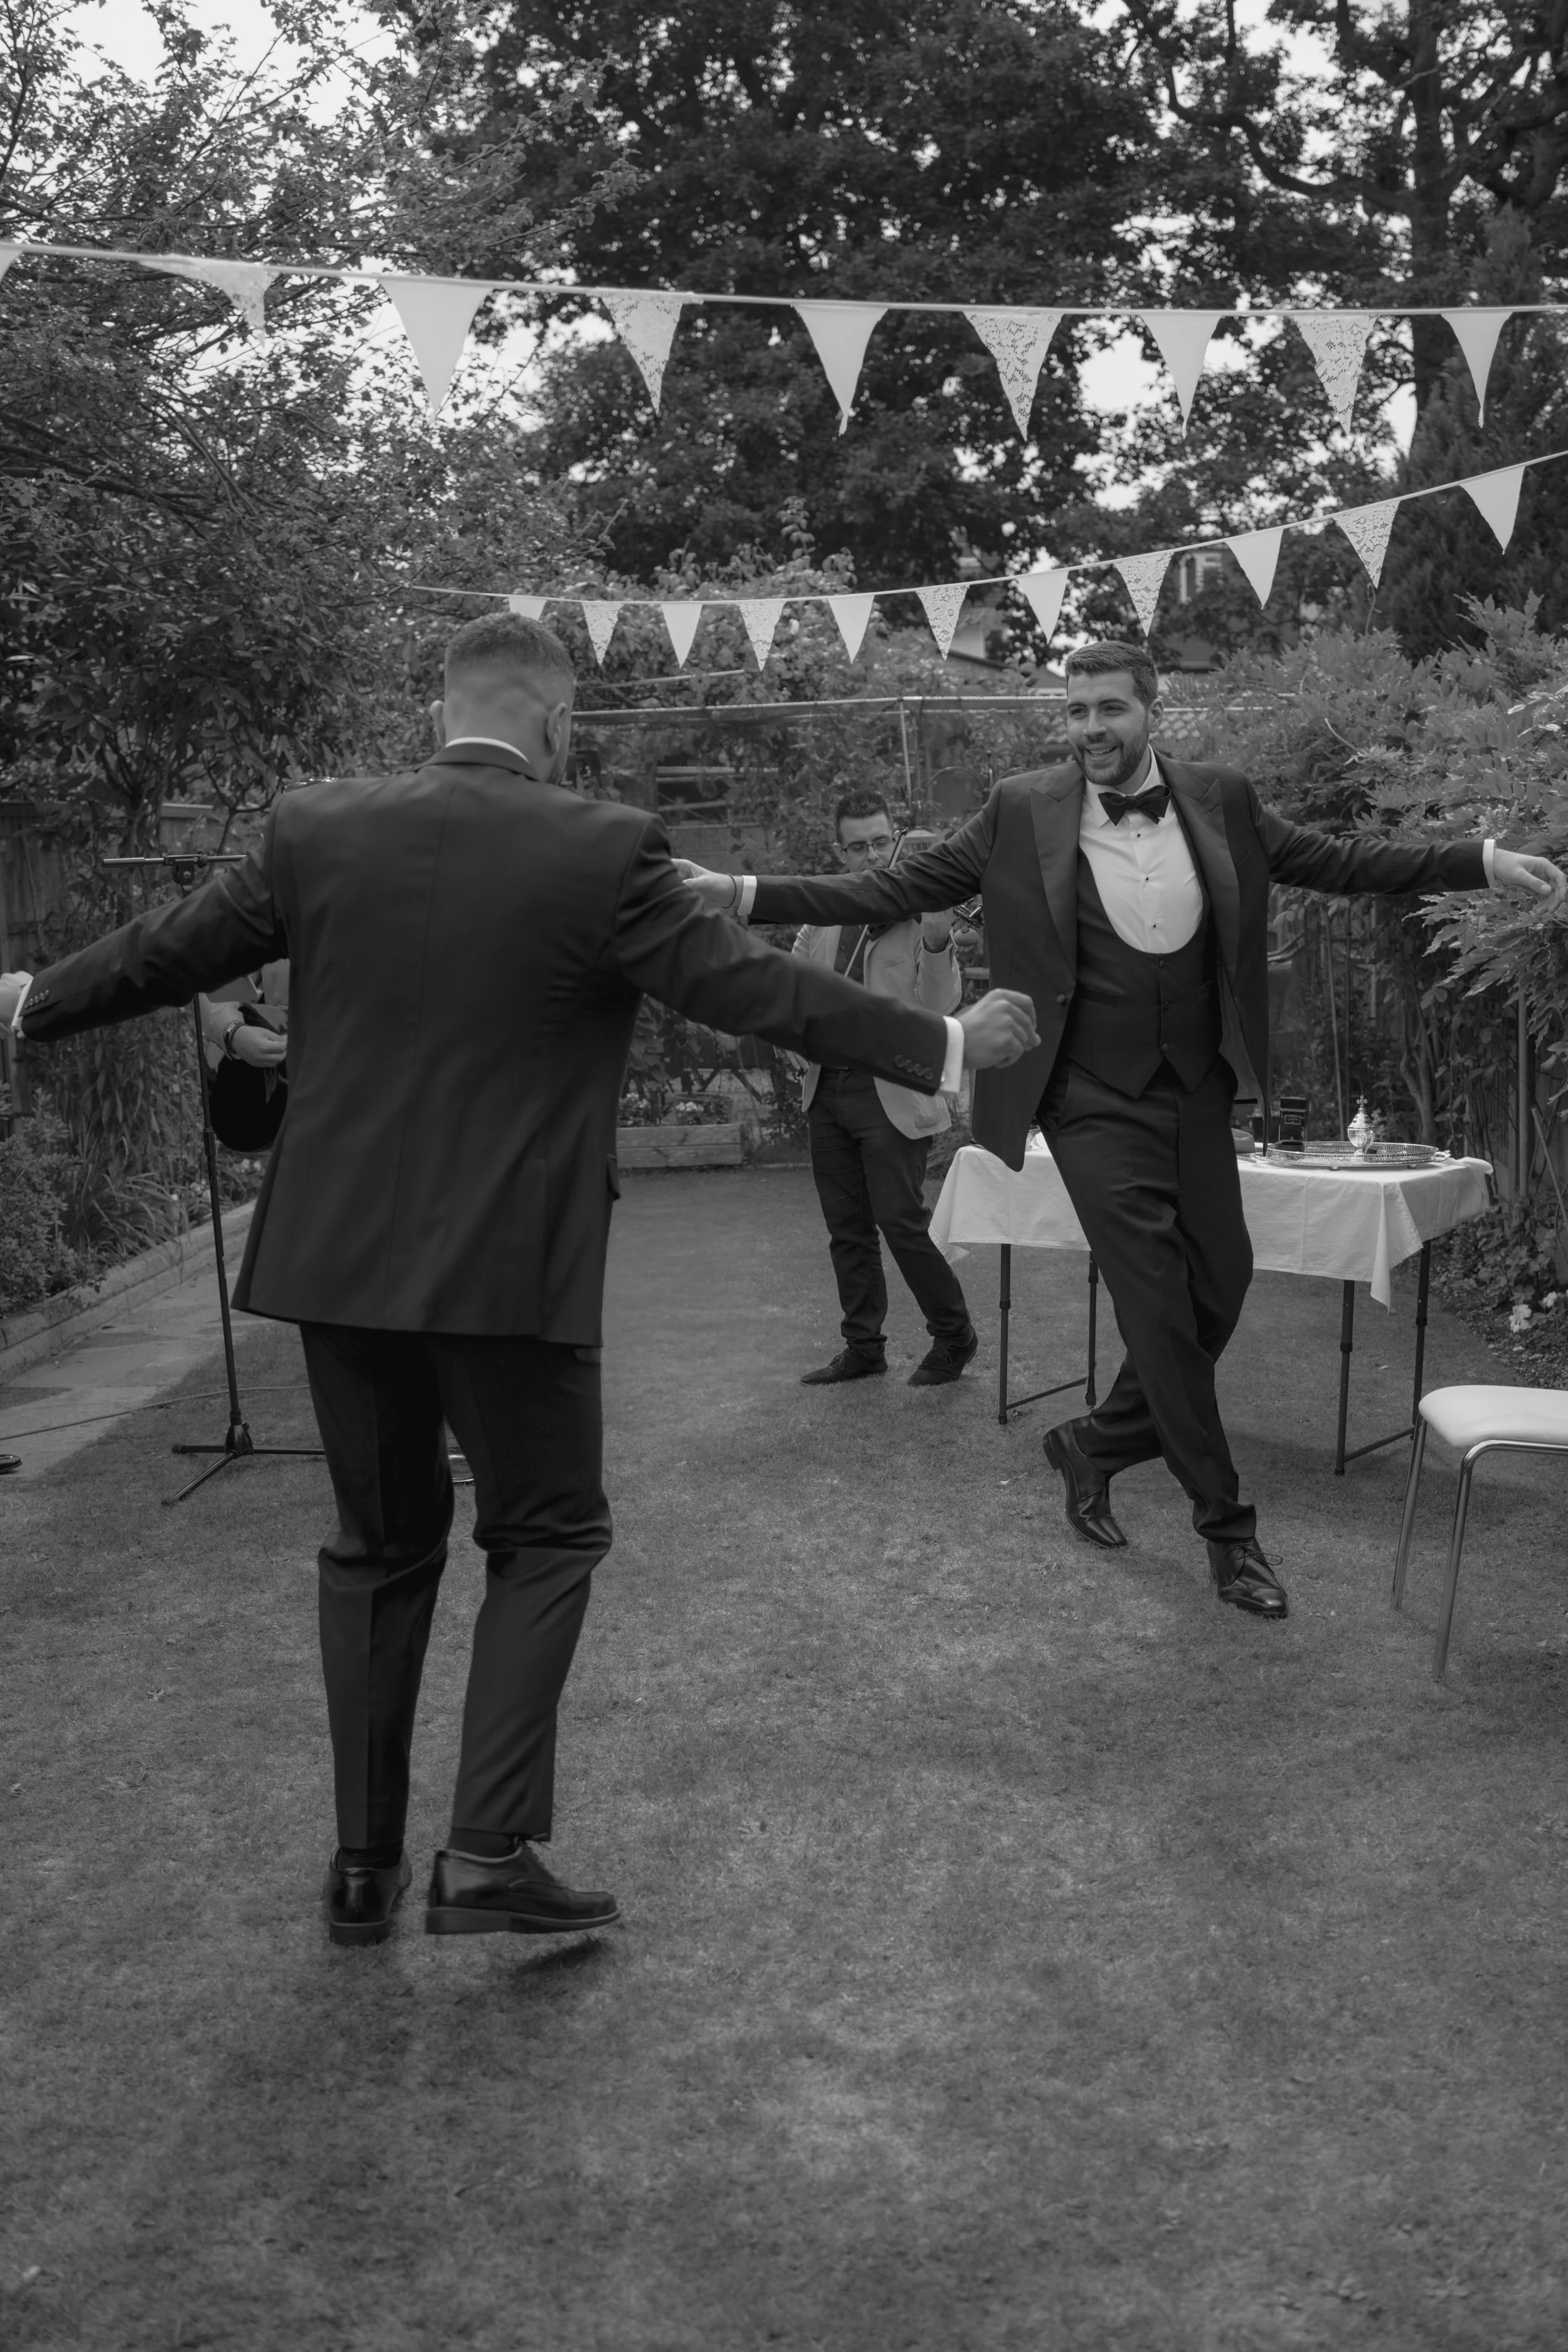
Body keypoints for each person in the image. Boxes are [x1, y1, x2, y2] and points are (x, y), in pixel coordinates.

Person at [0, 613, 1037, 1948]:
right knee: (545, 1535)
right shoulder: (601, 849)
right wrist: (942, 1037)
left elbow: (162, 951)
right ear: (556, 724)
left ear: (442, 710)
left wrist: (29, 999)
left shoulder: (315, 829)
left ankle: (363, 1869)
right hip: (508, 1266)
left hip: (334, 1262)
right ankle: (485, 1852)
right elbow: (753, 993)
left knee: (376, 1551)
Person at [677, 639, 1567, 1623]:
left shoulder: (1221, 798)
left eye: (1109, 709)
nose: (1090, 729)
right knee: (1152, 1296)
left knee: (1218, 1286)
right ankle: (1228, 1532)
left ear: (1154, 709)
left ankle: (1094, 1444)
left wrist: (1480, 860)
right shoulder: (1022, 809)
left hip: (1193, 1094)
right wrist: (745, 894)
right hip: (1086, 1098)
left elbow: (1342, 860)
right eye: (1076, 711)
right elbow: (892, 890)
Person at [790, 790, 977, 1388]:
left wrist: (938, 935)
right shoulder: (823, 913)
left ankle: (954, 1335)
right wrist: (799, 1048)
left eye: (880, 841)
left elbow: (939, 1007)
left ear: (895, 839)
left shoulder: (921, 908)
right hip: (828, 1086)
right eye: (858, 845)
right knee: (846, 1227)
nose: (871, 856)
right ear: (840, 851)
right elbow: (796, 989)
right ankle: (863, 1345)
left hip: (889, 1087)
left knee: (901, 1221)